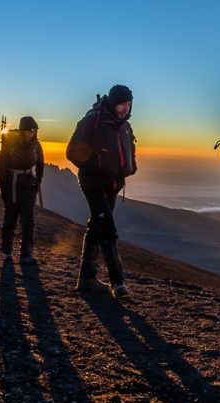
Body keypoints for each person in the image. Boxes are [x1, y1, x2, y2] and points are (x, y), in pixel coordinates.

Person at [66, 84, 137, 298]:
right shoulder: (93, 121)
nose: (125, 108)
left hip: (113, 184)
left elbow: (128, 152)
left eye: (128, 103)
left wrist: (128, 168)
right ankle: (118, 283)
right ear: (113, 103)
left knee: (96, 227)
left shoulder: (124, 126)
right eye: (122, 103)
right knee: (108, 229)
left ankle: (86, 279)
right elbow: (72, 151)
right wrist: (94, 166)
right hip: (93, 183)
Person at [0, 116, 45, 264]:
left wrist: (38, 181)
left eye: (33, 131)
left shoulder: (37, 146)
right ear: (21, 131)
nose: (30, 134)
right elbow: (2, 166)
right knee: (10, 220)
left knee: (28, 221)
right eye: (28, 131)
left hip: (28, 186)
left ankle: (26, 254)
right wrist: (4, 187)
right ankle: (7, 252)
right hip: (12, 186)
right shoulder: (10, 145)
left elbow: (40, 164)